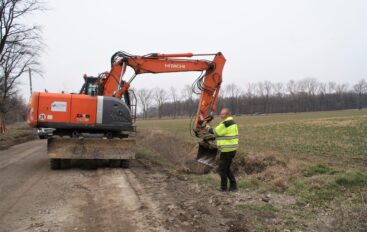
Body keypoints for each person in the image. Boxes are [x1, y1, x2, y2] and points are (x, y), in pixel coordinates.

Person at [208, 108, 239, 192]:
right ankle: (233, 186)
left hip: (227, 150)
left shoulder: (226, 123)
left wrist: (207, 127)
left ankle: (223, 188)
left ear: (228, 114)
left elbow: (216, 131)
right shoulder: (232, 122)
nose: (221, 115)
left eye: (223, 114)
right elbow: (222, 133)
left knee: (222, 169)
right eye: (221, 113)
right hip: (231, 149)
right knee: (227, 168)